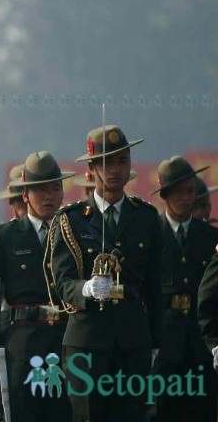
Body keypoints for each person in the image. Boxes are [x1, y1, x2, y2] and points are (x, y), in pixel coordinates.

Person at [46, 124, 160, 422]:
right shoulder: (71, 219)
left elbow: (156, 286)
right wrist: (85, 288)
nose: (116, 170)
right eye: (107, 163)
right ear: (93, 168)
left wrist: (156, 341)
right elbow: (61, 283)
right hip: (87, 341)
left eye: (123, 161)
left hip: (132, 340)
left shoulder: (146, 217)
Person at [0, 151, 72, 422]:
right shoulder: (4, 237)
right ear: (25, 194)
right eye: (40, 190)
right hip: (23, 342)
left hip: (66, 340)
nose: (49, 196)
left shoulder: (74, 233)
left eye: (55, 188)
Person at [152, 156, 218, 419]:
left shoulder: (210, 237)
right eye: (179, 192)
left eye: (190, 191)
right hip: (164, 346)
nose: (186, 198)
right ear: (165, 195)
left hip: (202, 346)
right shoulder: (151, 234)